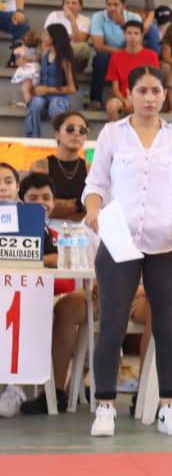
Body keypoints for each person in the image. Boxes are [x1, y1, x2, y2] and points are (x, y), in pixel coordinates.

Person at [81, 66, 172, 438]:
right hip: (119, 240)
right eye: (143, 90)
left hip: (166, 243)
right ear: (128, 93)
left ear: (165, 94)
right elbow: (95, 183)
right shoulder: (112, 135)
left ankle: (169, 407)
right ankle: (104, 407)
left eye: (156, 90)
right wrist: (94, 209)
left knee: (166, 328)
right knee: (111, 326)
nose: (150, 97)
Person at [0, 173, 90, 417]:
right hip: (18, 294)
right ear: (22, 198)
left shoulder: (59, 234)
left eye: (46, 197)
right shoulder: (14, 224)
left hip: (44, 297)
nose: (41, 202)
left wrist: (38, 259)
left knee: (40, 310)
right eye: (33, 198)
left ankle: (17, 388)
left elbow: (62, 262)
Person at [28, 110, 90, 219]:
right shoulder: (41, 165)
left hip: (83, 231)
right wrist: (79, 205)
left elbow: (95, 207)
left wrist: (60, 205)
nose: (76, 133)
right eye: (70, 128)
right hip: (49, 228)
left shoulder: (90, 169)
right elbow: (40, 205)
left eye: (82, 130)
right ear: (57, 134)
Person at [24, 24, 76, 139]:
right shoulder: (45, 55)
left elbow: (72, 88)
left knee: (56, 105)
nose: (43, 37)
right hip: (43, 98)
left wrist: (47, 89)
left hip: (59, 98)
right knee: (35, 103)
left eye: (46, 35)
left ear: (53, 38)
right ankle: (33, 138)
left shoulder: (64, 60)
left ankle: (61, 138)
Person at [104, 21, 161, 121]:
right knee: (112, 105)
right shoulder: (116, 57)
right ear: (124, 35)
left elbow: (153, 84)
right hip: (122, 98)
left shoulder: (152, 56)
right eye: (129, 33)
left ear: (142, 35)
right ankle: (114, 136)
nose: (132, 37)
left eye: (136, 33)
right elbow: (115, 88)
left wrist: (137, 100)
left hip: (144, 96)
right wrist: (125, 101)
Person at [44, 0, 93, 80]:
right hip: (54, 54)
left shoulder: (86, 21)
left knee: (83, 48)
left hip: (74, 60)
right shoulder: (54, 15)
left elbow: (79, 42)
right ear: (63, 6)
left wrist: (72, 20)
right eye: (67, 2)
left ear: (80, 7)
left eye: (74, 3)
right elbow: (45, 39)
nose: (70, 5)